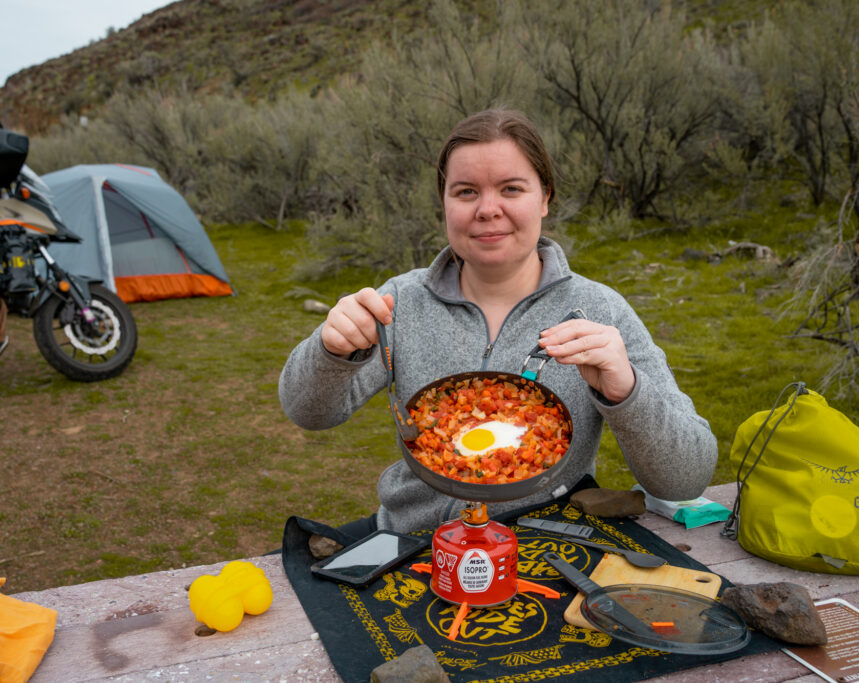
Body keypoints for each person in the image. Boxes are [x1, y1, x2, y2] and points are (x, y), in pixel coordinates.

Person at [279, 109, 717, 535]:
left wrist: (626, 390)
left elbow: (686, 478)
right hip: (411, 545)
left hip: (547, 546)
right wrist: (333, 351)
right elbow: (308, 413)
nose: (488, 209)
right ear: (444, 203)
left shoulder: (600, 311)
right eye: (466, 191)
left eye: (511, 189)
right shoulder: (400, 302)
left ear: (545, 198)